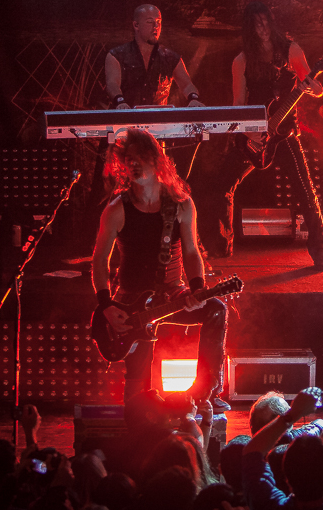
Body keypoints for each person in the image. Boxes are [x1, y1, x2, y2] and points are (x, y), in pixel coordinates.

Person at [91, 129, 228, 410]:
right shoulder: (116, 209)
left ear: (157, 161)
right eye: (129, 159)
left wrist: (197, 288)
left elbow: (191, 251)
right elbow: (100, 260)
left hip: (171, 292)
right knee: (137, 388)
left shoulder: (181, 204)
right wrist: (106, 305)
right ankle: (140, 418)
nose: (134, 163)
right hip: (131, 300)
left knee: (215, 309)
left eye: (141, 157)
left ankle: (204, 392)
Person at [215, 0, 323, 267]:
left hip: (285, 132)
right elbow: (238, 104)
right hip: (253, 134)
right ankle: (222, 247)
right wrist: (248, 134)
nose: (263, 28)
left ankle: (321, 251)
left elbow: (316, 87)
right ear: (250, 28)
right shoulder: (242, 60)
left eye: (266, 22)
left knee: (305, 190)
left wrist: (313, 87)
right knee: (223, 186)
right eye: (257, 24)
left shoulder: (291, 50)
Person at [105, 4, 204, 108]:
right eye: (150, 22)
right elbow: (112, 84)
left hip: (159, 115)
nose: (156, 26)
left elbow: (187, 85)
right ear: (136, 25)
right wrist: (120, 102)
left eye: (158, 22)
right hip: (127, 115)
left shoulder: (170, 57)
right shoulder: (117, 55)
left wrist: (193, 99)